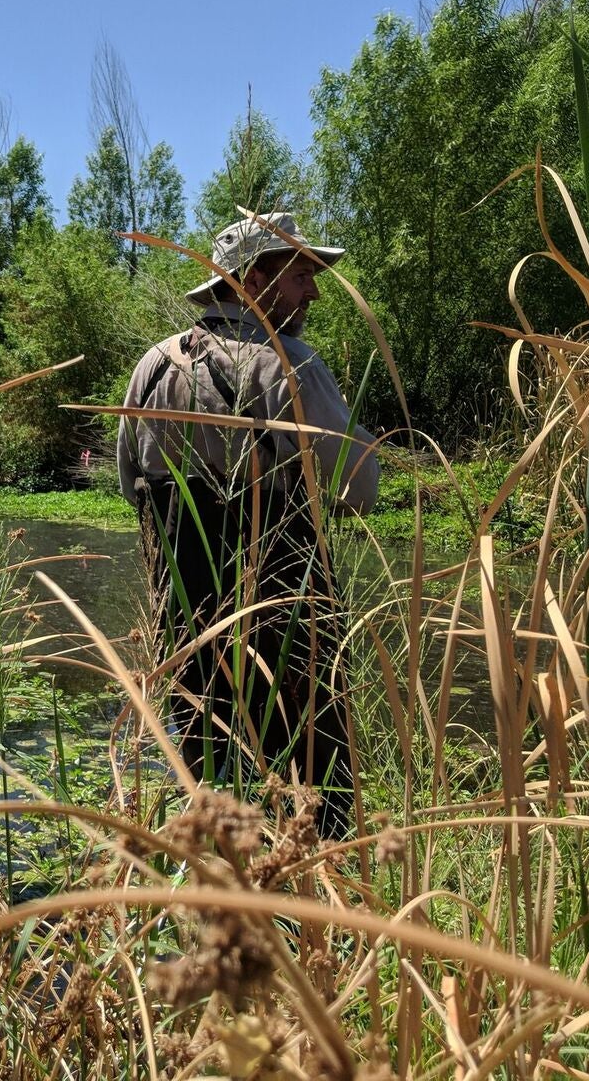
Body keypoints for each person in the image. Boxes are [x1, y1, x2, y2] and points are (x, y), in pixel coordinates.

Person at [116, 212, 379, 834]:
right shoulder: (289, 364)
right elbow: (356, 490)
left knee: (209, 771)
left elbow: (133, 488)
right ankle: (314, 908)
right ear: (255, 278)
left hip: (184, 615)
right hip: (286, 617)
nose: (313, 292)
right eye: (301, 276)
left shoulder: (152, 365)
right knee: (312, 781)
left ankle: (216, 901)